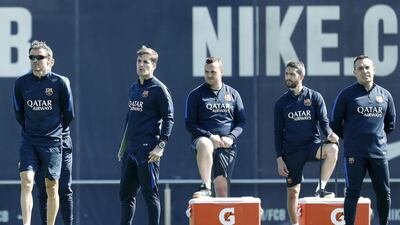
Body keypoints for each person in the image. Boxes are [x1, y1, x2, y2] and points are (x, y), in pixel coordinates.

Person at [13, 40, 75, 225]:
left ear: (50, 60)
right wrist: (32, 130)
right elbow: (19, 113)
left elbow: (69, 114)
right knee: (27, 181)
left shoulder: (60, 82)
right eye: (32, 57)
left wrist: (52, 131)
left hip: (53, 141)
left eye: (40, 57)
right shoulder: (21, 83)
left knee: (52, 186)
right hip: (30, 140)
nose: (35, 60)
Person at [330, 55, 396, 225]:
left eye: (367, 67)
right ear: (354, 72)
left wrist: (375, 138)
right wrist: (352, 138)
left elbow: (390, 125)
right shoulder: (346, 95)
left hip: (378, 153)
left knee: (384, 193)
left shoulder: (385, 95)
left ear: (374, 69)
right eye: (360, 68)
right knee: (352, 193)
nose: (364, 71)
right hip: (355, 153)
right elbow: (335, 123)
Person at [274, 60, 339, 225]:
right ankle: (295, 224)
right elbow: (277, 132)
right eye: (286, 74)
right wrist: (279, 157)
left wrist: (330, 134)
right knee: (293, 192)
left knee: (332, 149)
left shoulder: (314, 97)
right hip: (291, 151)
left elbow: (324, 123)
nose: (288, 77)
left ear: (301, 75)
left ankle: (321, 189)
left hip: (312, 146)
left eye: (292, 74)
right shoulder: (281, 103)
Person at [118, 46, 174, 225]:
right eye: (139, 61)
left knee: (150, 195)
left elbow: (169, 118)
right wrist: (123, 147)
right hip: (130, 150)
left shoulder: (159, 89)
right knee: (126, 195)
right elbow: (130, 119)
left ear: (154, 66)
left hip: (148, 150)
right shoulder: (134, 87)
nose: (141, 65)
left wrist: (161, 146)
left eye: (146, 62)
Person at [185, 57, 246, 198]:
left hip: (226, 146)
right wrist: (210, 136)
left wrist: (231, 138)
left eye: (213, 71)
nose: (209, 75)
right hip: (203, 140)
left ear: (221, 72)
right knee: (205, 143)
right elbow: (190, 123)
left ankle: (219, 219)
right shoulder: (196, 94)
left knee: (221, 191)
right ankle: (205, 186)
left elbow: (241, 121)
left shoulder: (233, 94)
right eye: (206, 72)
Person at [35, 126, 73, 225]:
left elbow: (69, 115)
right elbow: (21, 117)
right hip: (38, 141)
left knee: (64, 189)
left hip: (61, 140)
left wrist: (56, 131)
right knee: (43, 191)